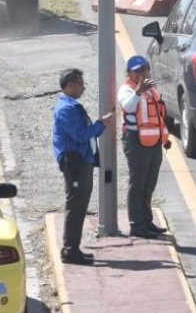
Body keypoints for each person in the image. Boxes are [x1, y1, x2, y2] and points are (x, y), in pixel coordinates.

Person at [52, 68, 113, 265]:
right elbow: (80, 135)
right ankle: (70, 250)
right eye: (80, 83)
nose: (83, 87)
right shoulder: (66, 109)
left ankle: (73, 248)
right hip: (75, 164)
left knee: (79, 206)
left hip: (80, 161)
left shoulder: (71, 106)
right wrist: (100, 124)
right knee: (76, 207)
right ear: (69, 86)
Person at [117, 55, 170, 239]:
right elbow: (129, 107)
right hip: (136, 142)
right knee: (138, 184)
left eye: (144, 69)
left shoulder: (151, 89)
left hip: (153, 141)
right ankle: (137, 225)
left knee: (149, 184)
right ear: (130, 73)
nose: (142, 73)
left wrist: (164, 138)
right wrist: (138, 91)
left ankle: (147, 221)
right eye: (137, 70)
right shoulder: (128, 89)